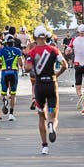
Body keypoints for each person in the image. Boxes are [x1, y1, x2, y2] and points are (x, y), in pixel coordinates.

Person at [26, 25, 68, 154]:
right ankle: (52, 125)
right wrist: (56, 75)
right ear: (46, 36)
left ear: (35, 37)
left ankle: (44, 146)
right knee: (53, 114)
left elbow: (27, 68)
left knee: (40, 116)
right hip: (51, 84)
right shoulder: (54, 50)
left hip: (39, 86)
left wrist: (34, 65)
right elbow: (65, 65)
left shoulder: (31, 53)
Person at [0, 35, 24, 120]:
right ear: (13, 43)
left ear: (6, 43)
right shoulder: (17, 50)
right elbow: (21, 63)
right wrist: (22, 68)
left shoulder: (1, 50)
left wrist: (2, 62)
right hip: (14, 72)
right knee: (13, 94)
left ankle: (5, 100)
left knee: (3, 92)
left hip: (4, 72)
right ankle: (11, 114)